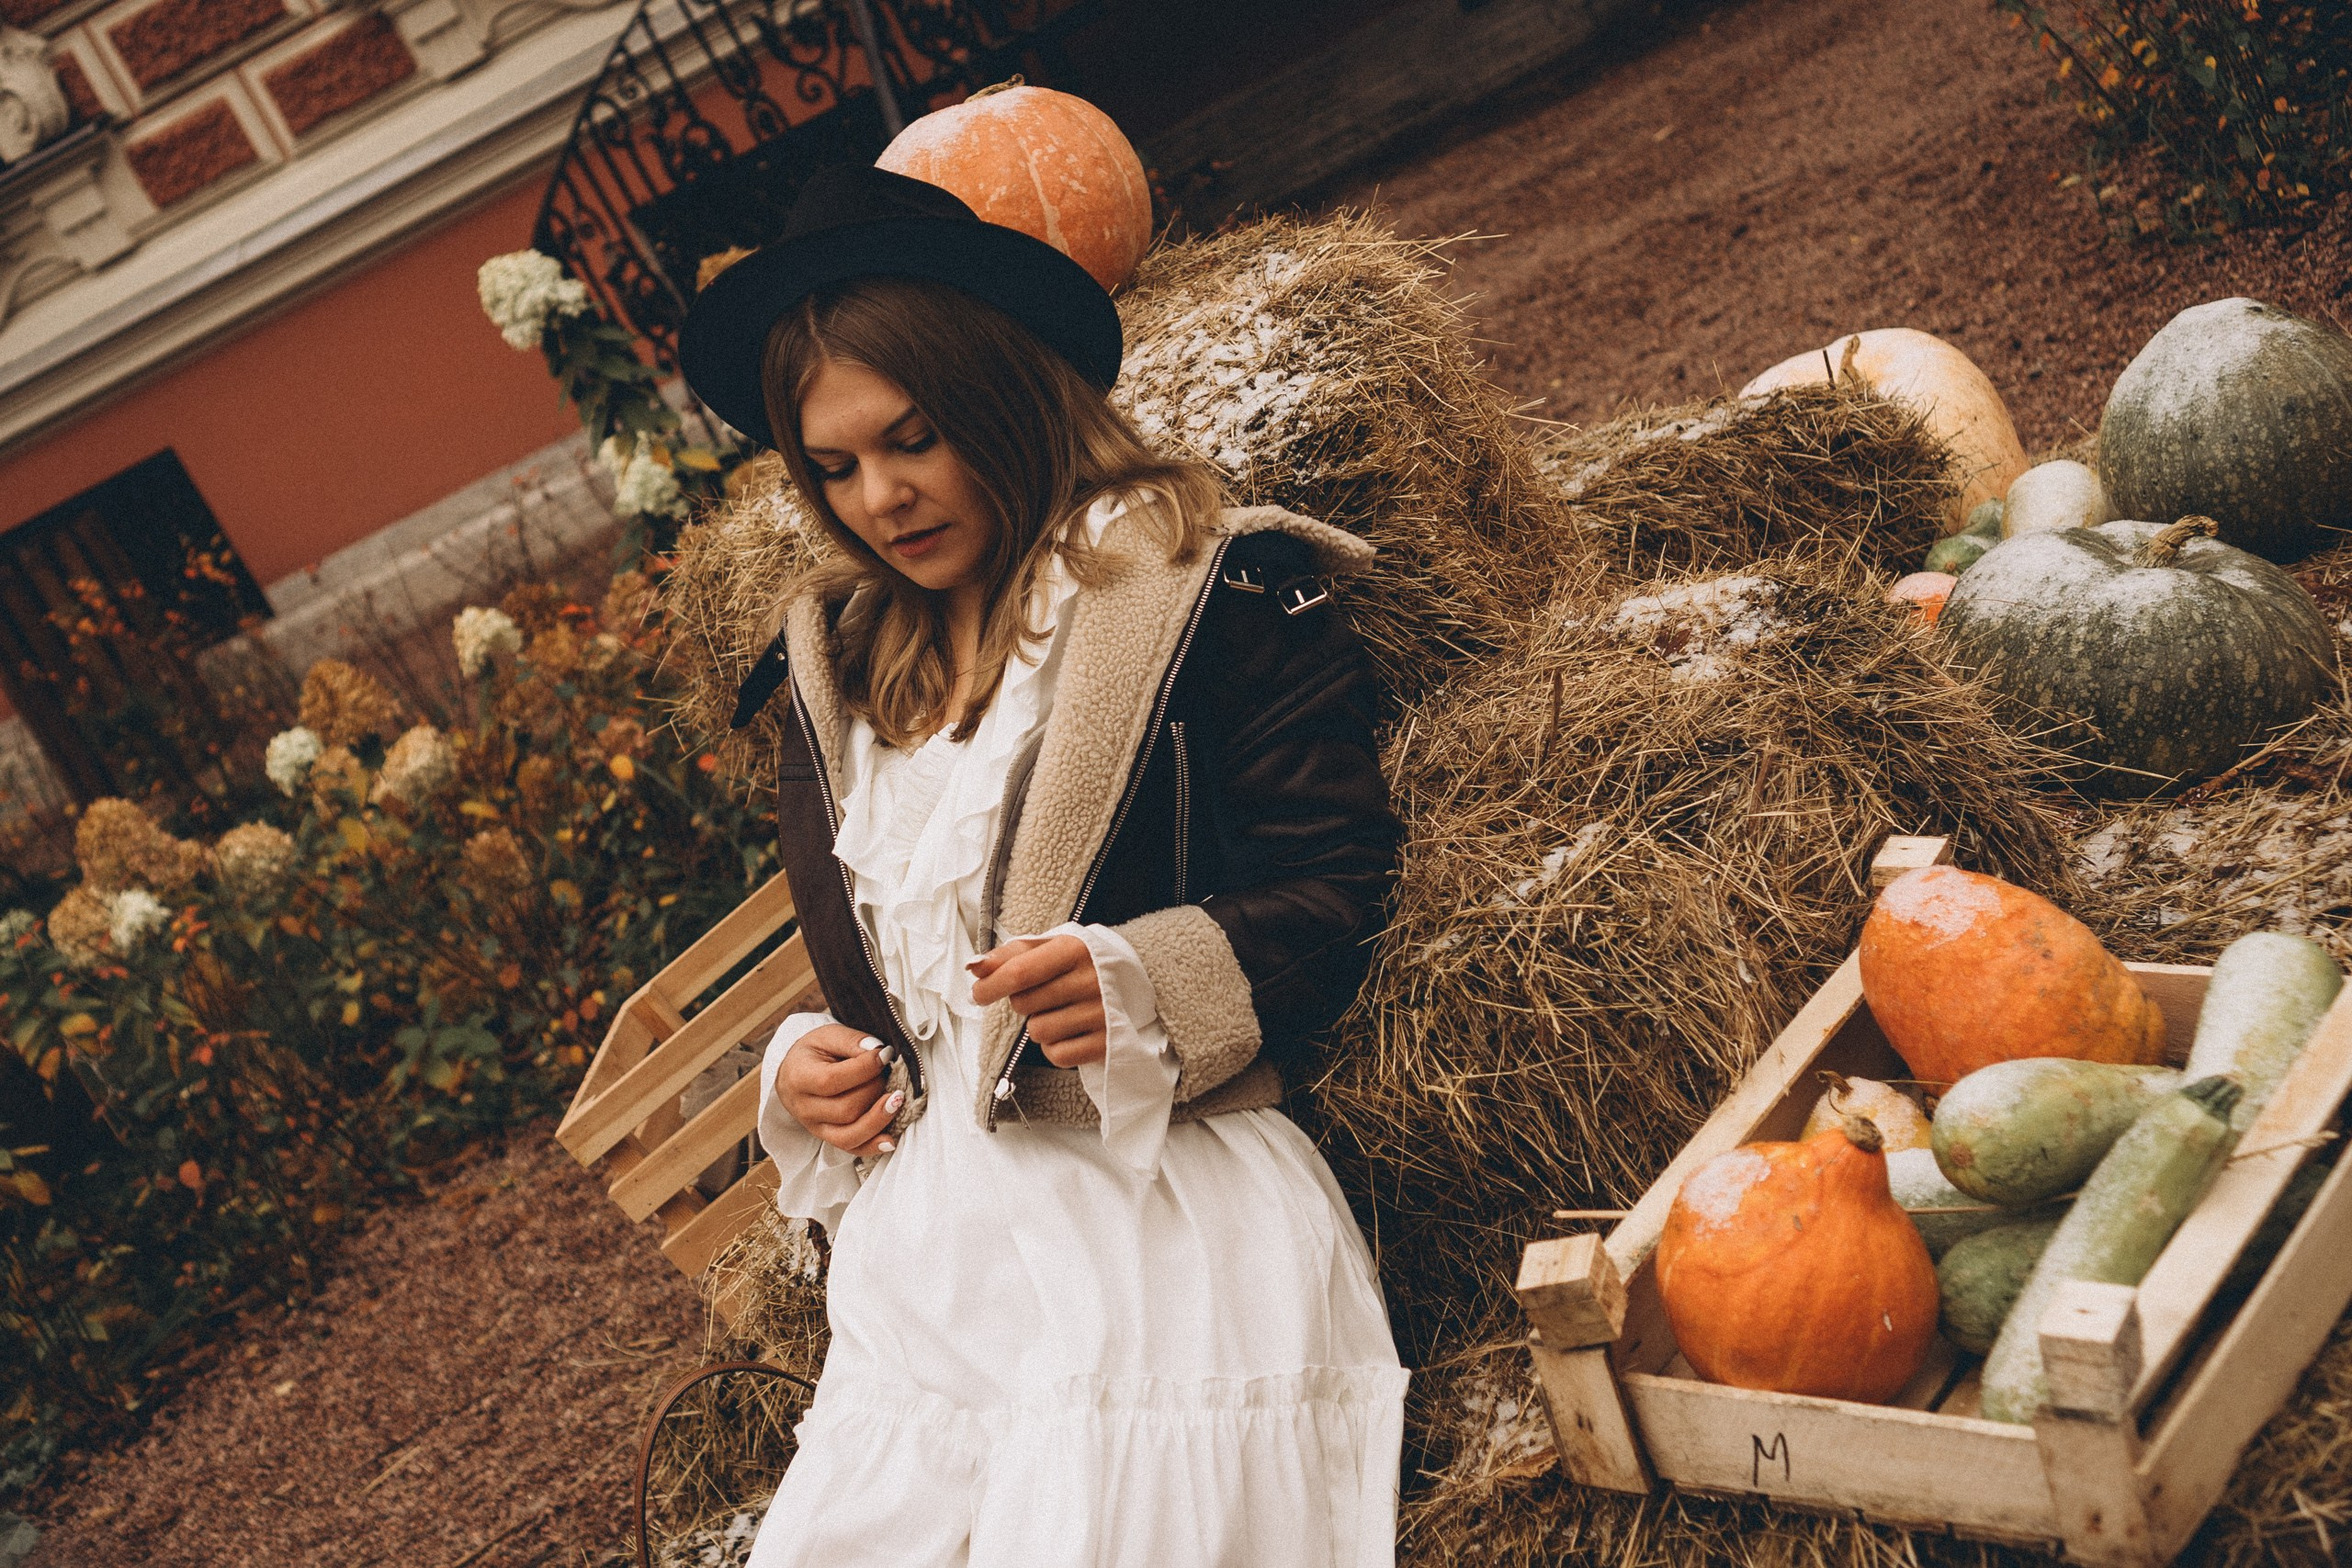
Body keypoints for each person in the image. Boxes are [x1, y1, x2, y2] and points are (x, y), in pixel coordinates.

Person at [679, 164, 1406, 1568]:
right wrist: (816, 1067)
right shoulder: (835, 676)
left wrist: (1148, 979)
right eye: (832, 467)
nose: (880, 497)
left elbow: (1343, 876)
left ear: (1003, 393)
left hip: (1152, 1210)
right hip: (931, 1261)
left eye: (914, 438)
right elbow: (902, 991)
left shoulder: (1207, 592)